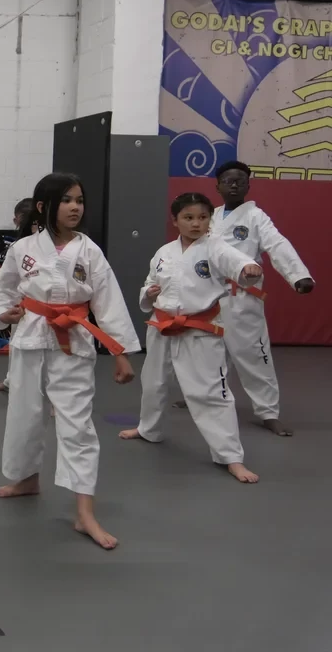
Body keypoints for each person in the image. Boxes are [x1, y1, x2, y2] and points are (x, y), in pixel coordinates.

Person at [0, 173, 139, 550]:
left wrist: (120, 354)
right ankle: (26, 479)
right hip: (29, 338)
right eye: (68, 200)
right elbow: (3, 287)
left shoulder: (89, 252)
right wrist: (2, 313)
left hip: (73, 341)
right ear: (44, 207)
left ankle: (84, 511)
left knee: (77, 423)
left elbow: (109, 302)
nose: (76, 207)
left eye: (79, 200)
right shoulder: (22, 247)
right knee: (24, 413)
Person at [119, 193, 264, 483]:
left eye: (202, 217)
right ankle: (150, 429)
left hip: (199, 329)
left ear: (210, 220)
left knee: (211, 392)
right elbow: (150, 283)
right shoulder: (163, 252)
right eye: (188, 217)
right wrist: (148, 294)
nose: (196, 223)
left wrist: (249, 270)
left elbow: (240, 264)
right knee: (154, 384)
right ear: (175, 221)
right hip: (161, 326)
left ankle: (230, 457)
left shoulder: (217, 248)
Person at [173, 161, 315, 437]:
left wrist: (298, 276)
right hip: (208, 297)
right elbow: (190, 250)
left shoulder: (256, 217)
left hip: (242, 298)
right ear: (217, 186)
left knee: (253, 355)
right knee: (205, 353)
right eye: (228, 180)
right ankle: (201, 397)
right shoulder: (207, 216)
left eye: (240, 180)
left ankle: (268, 411)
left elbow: (277, 244)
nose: (234, 184)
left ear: (249, 185)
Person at [0, 197, 36, 393]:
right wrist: (2, 311)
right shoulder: (18, 247)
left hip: (55, 313)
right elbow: (3, 283)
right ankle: (10, 382)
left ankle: (52, 398)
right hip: (23, 306)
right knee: (16, 348)